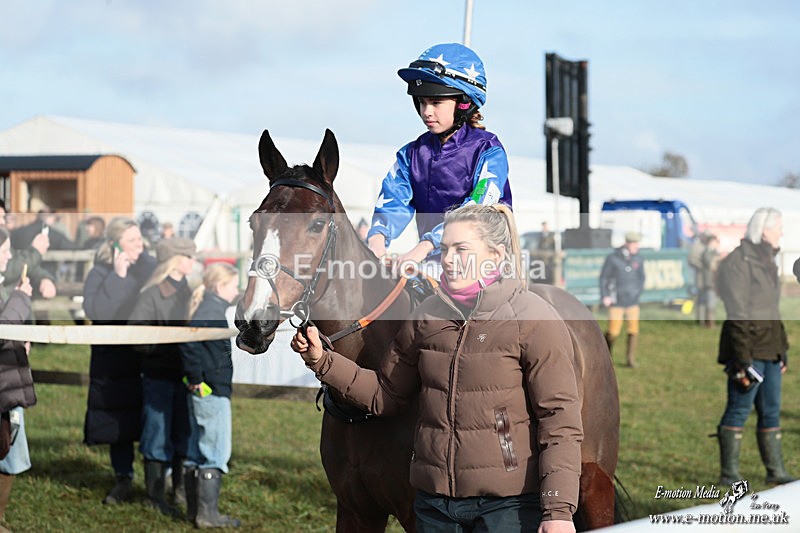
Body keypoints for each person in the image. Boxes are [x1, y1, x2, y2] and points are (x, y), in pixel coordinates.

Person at [292, 204, 582, 533]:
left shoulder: (534, 318)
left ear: (496, 256)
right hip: (433, 506)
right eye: (444, 249)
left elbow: (560, 421)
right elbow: (386, 394)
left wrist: (558, 510)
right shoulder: (426, 315)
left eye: (461, 249)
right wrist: (323, 361)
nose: (447, 259)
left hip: (507, 507)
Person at [366, 43, 511, 267]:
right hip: (433, 262)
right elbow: (393, 200)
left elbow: (477, 207)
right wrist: (377, 239)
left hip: (484, 263)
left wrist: (425, 246)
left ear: (464, 104)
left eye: (436, 102)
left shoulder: (489, 151)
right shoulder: (410, 154)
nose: (427, 112)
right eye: (422, 102)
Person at [714, 207, 795, 486]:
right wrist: (743, 358)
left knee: (771, 410)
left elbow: (771, 309)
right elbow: (737, 313)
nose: (781, 233)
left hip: (769, 349)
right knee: (739, 408)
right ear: (763, 230)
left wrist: (781, 348)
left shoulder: (767, 261)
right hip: (747, 350)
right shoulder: (738, 262)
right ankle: (729, 475)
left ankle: (776, 471)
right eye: (778, 228)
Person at [82, 217, 157, 505]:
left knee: (152, 416)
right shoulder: (101, 271)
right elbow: (98, 310)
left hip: (146, 357)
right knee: (118, 421)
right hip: (113, 361)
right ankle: (123, 477)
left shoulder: (150, 267)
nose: (140, 245)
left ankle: (157, 479)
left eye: (140, 239)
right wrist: (119, 276)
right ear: (115, 244)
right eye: (132, 240)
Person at [128, 237, 196, 515]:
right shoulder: (152, 294)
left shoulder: (189, 291)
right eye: (189, 256)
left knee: (182, 433)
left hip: (184, 376)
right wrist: (166, 347)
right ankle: (154, 497)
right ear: (174, 260)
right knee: (156, 436)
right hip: (159, 376)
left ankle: (178, 491)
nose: (194, 261)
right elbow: (136, 334)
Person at [179, 262, 241, 528]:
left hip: (206, 388)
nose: (237, 290)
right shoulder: (211, 310)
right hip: (211, 390)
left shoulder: (209, 308)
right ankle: (207, 515)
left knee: (196, 450)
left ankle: (195, 512)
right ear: (220, 286)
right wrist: (196, 380)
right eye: (233, 285)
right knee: (215, 451)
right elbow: (189, 343)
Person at [0, 227, 35, 524]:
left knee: (8, 454)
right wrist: (21, 300)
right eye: (4, 250)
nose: (10, 256)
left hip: (6, 385)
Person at [599, 232, 645, 368]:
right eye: (634, 244)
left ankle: (630, 359)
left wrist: (638, 291)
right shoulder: (613, 258)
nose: (636, 246)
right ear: (627, 243)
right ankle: (606, 356)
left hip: (632, 300)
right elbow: (604, 278)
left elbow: (641, 278)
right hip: (616, 300)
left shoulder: (639, 258)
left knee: (633, 330)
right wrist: (605, 295)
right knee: (613, 331)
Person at [0, 200, 57, 301]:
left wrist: (45, 278)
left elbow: (14, 260)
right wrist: (35, 251)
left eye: (3, 217)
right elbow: (8, 269)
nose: (3, 221)